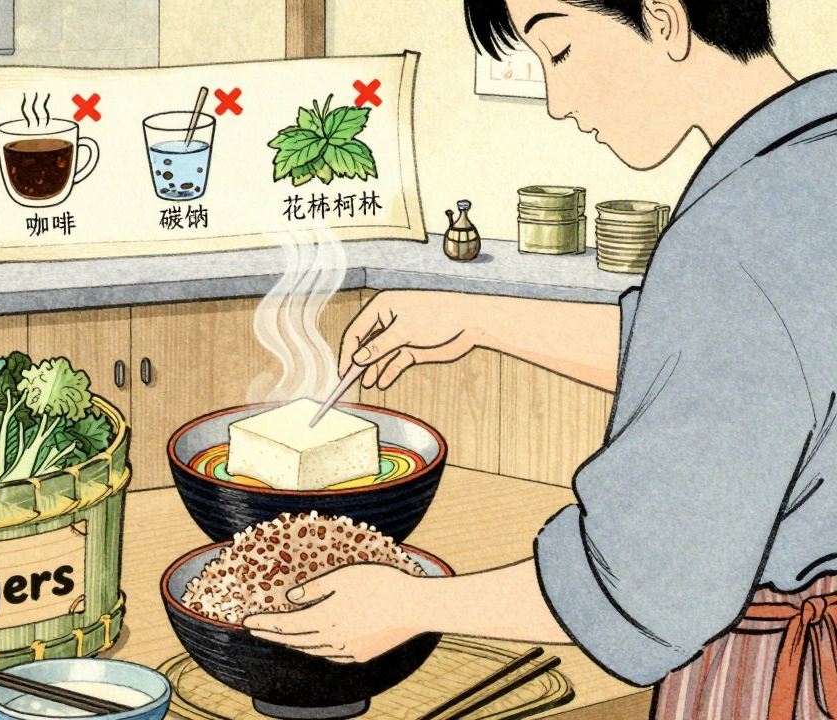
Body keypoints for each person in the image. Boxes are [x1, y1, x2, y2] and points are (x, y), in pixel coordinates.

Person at [243, 2, 837, 718]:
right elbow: (745, 366)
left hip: (786, 679)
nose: (557, 102)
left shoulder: (734, 235)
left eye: (558, 53)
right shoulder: (813, 162)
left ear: (664, 20)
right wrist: (479, 318)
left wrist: (409, 605)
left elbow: (653, 578)